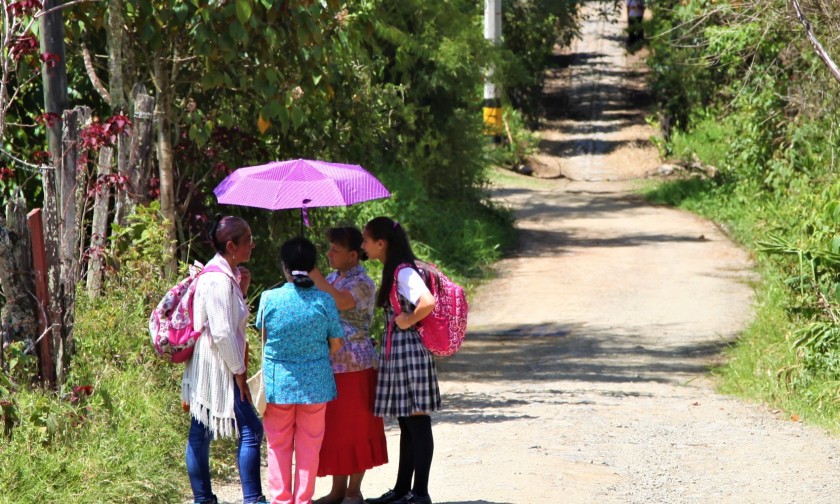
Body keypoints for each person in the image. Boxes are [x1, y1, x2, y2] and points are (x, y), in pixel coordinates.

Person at [182, 215, 267, 504]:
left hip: (212, 364)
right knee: (251, 429)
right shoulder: (218, 279)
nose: (253, 245)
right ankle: (252, 499)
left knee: (201, 429)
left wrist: (241, 290)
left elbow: (227, 319)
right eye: (248, 241)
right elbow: (221, 331)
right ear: (231, 245)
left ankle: (204, 499)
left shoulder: (224, 275)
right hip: (219, 366)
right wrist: (239, 372)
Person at [256, 237, 346, 504]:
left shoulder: (269, 298)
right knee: (309, 447)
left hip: (278, 384)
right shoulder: (325, 301)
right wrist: (315, 358)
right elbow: (336, 343)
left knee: (278, 445)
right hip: (316, 385)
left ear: (284, 267)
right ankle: (303, 500)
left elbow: (263, 334)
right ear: (312, 267)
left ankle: (281, 501)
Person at [361, 217, 439, 504]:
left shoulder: (404, 273)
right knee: (408, 421)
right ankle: (403, 489)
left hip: (411, 353)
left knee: (417, 421)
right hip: (402, 352)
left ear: (381, 244)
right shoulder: (395, 271)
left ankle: (420, 492)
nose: (363, 246)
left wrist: (405, 320)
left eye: (365, 240)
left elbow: (427, 302)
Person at [309, 227, 388, 504]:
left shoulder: (363, 281)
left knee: (357, 426)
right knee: (336, 428)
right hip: (331, 365)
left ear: (353, 255)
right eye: (329, 248)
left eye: (335, 250)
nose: (329, 254)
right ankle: (338, 490)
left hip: (357, 365)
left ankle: (354, 491)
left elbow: (341, 301)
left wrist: (315, 276)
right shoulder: (332, 277)